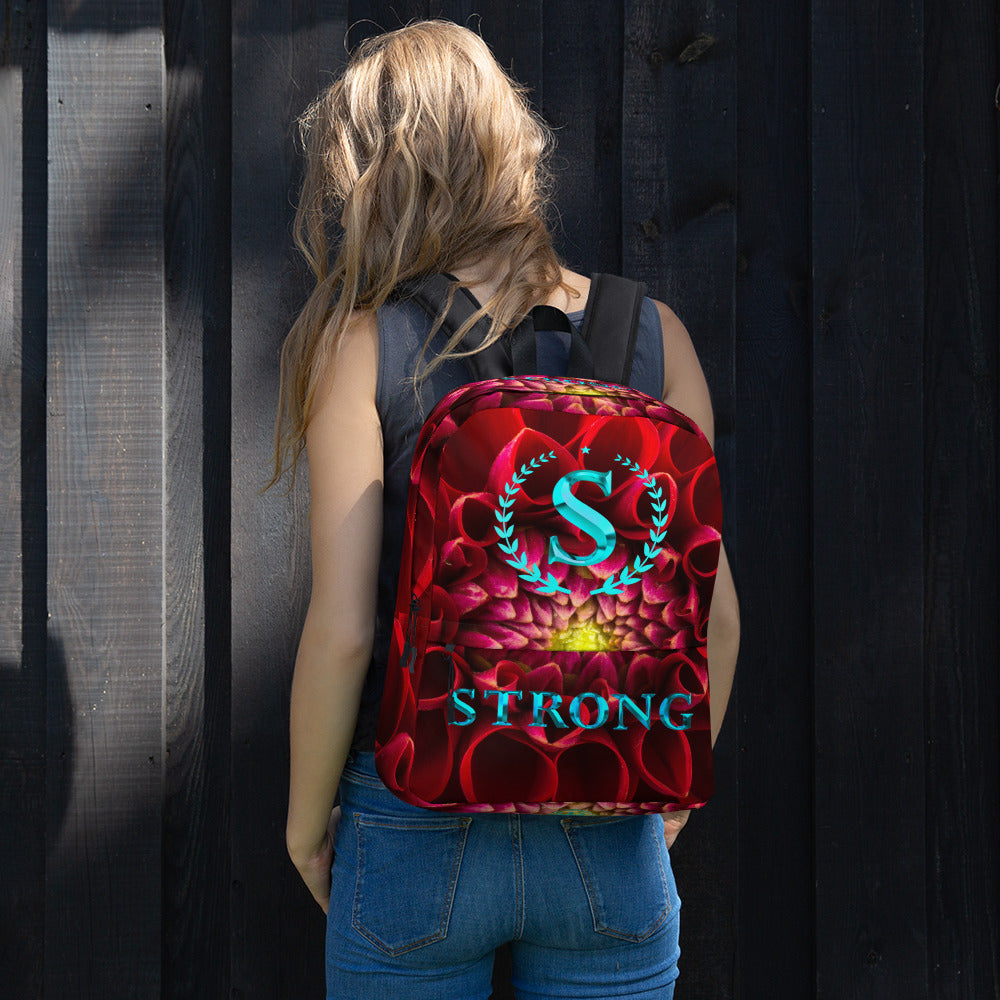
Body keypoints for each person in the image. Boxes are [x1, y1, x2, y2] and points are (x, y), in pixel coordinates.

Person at [274, 20, 740, 1000]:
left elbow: (346, 630)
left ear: (377, 177)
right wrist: (667, 801)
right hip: (607, 812)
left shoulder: (364, 343)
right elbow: (716, 616)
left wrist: (306, 826)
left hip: (414, 813)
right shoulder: (656, 335)